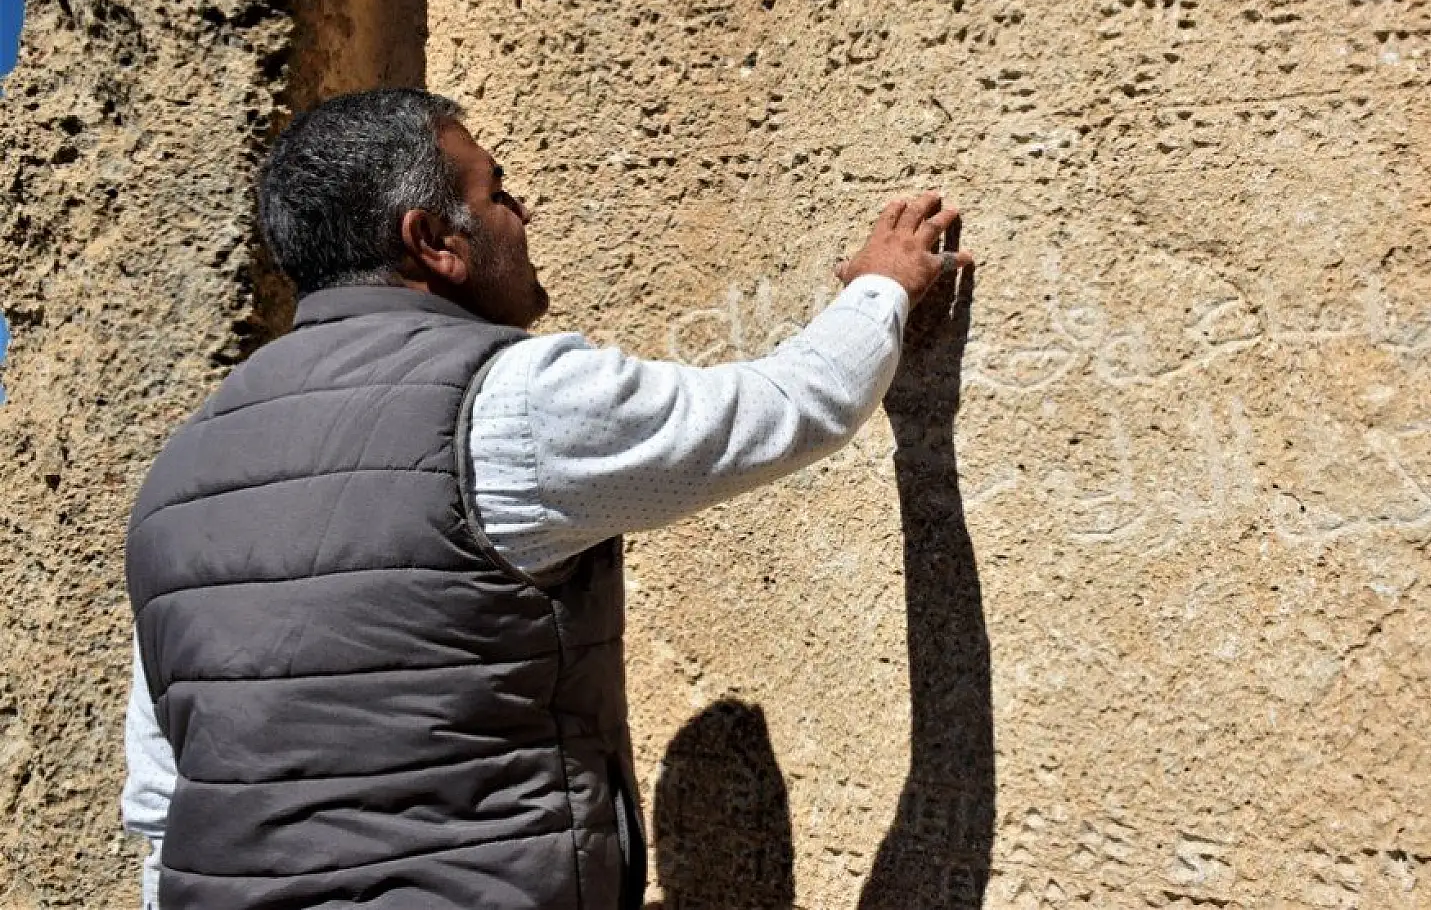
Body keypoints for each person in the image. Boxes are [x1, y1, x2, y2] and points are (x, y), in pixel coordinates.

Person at [120, 88, 973, 909]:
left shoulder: (182, 467)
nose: (525, 216)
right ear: (433, 242)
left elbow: (162, 796)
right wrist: (882, 286)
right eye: (498, 193)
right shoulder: (505, 400)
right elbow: (785, 410)